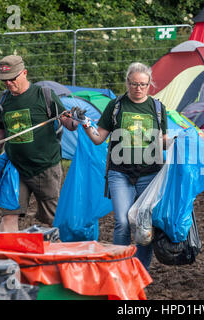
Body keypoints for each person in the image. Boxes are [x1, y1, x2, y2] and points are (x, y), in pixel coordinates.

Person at [70, 62, 169, 271]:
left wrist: (185, 141)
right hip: (120, 174)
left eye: (143, 84)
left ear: (150, 84)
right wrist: (85, 123)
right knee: (123, 222)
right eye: (134, 84)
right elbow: (98, 139)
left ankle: (141, 271)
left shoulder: (158, 108)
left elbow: (165, 141)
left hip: (150, 175)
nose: (138, 88)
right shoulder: (115, 106)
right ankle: (119, 269)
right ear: (127, 82)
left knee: (144, 226)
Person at [0, 55, 78, 232]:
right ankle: (10, 256)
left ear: (24, 73)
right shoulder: (3, 101)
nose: (8, 83)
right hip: (15, 168)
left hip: (45, 168)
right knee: (9, 214)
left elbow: (68, 122)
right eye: (4, 80)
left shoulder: (44, 95)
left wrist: (76, 120)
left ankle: (63, 253)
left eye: (12, 79)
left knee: (53, 217)